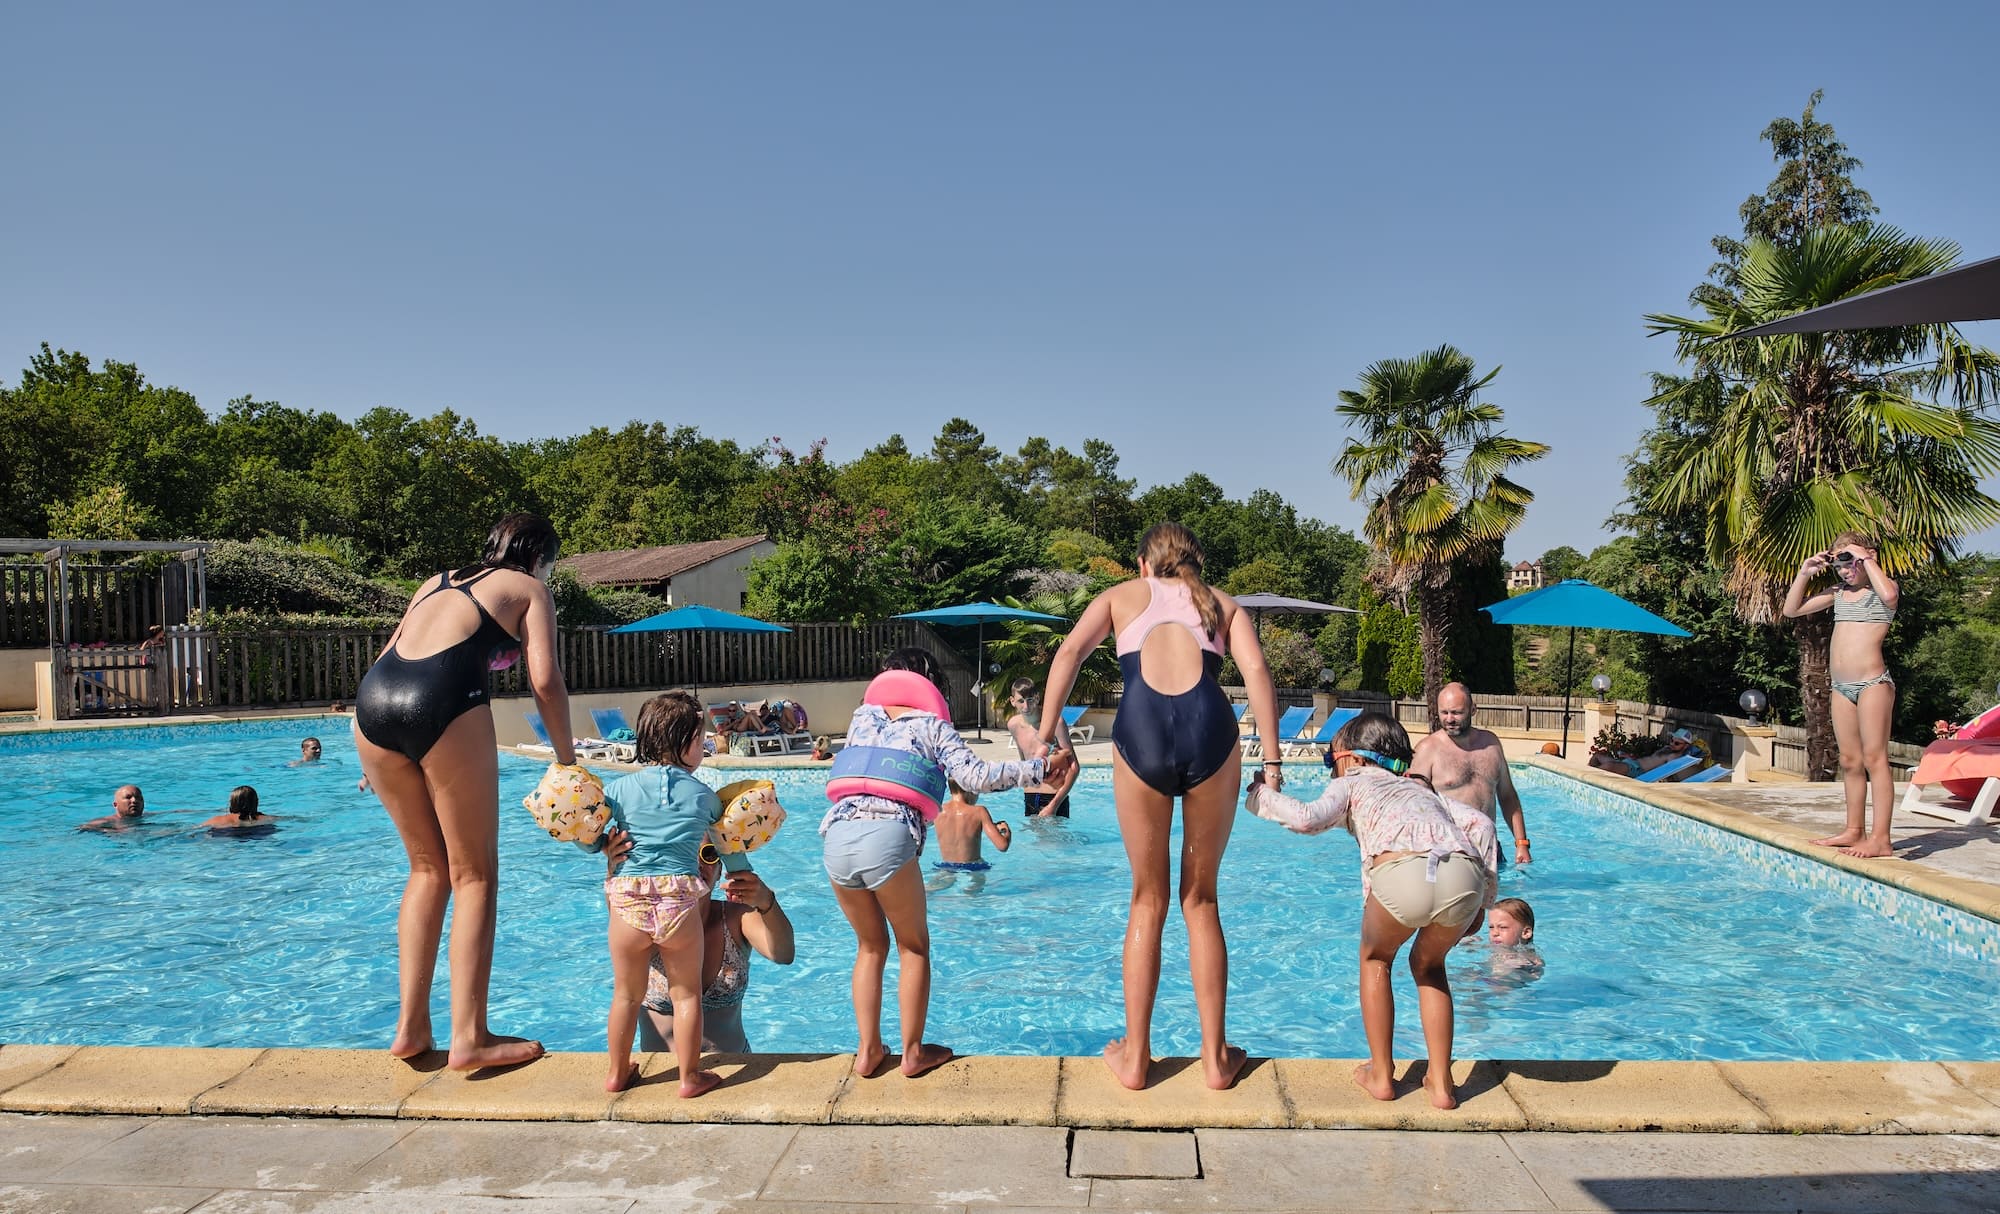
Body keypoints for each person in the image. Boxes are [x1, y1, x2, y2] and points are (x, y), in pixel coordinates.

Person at [1037, 521, 1281, 1091]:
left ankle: (1136, 1057)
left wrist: (1046, 737)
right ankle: (1215, 1059)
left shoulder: (1120, 596)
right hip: (1211, 734)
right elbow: (1257, 672)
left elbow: (1069, 653)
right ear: (1197, 563)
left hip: (1140, 733)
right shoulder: (1224, 604)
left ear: (1143, 564)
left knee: (1148, 899)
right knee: (1202, 899)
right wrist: (1272, 761)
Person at [352, 512, 577, 1072]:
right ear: (539, 558)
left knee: (426, 870)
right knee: (474, 875)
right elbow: (544, 680)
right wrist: (567, 761)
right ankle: (470, 1037)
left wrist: (377, 762)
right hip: (443, 703)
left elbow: (389, 654)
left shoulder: (435, 581)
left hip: (373, 708)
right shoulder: (530, 589)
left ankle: (411, 1028)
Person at [821, 647, 1069, 1079]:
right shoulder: (933, 725)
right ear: (931, 683)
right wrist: (1040, 768)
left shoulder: (862, 717)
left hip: (837, 837)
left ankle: (867, 1050)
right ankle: (912, 1053)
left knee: (870, 947)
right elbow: (975, 777)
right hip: (887, 837)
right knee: (913, 946)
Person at [1244, 712, 1496, 1110]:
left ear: (1354, 758)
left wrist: (1260, 795)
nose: (1331, 769)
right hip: (1463, 875)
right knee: (1430, 966)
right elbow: (1481, 825)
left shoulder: (1352, 782)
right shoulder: (1425, 792)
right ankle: (1441, 1083)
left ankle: (1381, 1074)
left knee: (1376, 958)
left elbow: (1308, 819)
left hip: (1404, 874)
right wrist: (1482, 903)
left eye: (1331, 760)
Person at [595, 691, 726, 1097]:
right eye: (700, 738)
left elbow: (585, 834)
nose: (703, 746)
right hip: (680, 900)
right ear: (685, 742)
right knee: (686, 995)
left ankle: (617, 1073)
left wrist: (602, 847)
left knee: (626, 994)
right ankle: (689, 1077)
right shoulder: (704, 795)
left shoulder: (618, 790)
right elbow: (729, 845)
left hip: (628, 898)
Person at [605, 831, 796, 1055]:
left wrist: (766, 902)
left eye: (709, 854)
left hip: (738, 1065)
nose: (697, 863)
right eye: (684, 852)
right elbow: (618, 895)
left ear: (720, 870)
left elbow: (783, 954)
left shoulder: (736, 918)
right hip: (664, 1070)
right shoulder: (644, 921)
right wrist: (616, 869)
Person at [1784, 532, 1901, 859]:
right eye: (1839, 565)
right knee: (1849, 760)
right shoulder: (1838, 593)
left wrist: (1863, 556)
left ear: (1867, 556)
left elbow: (1890, 594)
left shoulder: (1882, 589)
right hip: (1841, 687)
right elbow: (1792, 610)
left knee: (1875, 759)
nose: (1845, 570)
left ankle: (1881, 839)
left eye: (1850, 562)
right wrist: (1805, 572)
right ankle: (1854, 830)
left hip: (1873, 684)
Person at [1410, 684, 1531, 865]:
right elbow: (1415, 808)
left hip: (1489, 848)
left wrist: (1521, 844)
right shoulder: (1427, 750)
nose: (1449, 719)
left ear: (1473, 709)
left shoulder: (1491, 745)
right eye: (1444, 712)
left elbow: (1508, 797)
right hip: (1451, 853)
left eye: (1456, 713)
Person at [1006, 679, 1078, 817]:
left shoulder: (1055, 723)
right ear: (1012, 701)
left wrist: (1054, 805)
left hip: (1054, 797)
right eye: (1021, 701)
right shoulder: (1013, 725)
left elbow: (1074, 768)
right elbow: (1024, 762)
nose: (1026, 706)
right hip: (1030, 796)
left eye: (1030, 700)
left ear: (1037, 698)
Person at [932, 782, 1011, 872]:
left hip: (947, 866)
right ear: (970, 789)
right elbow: (1002, 846)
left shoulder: (938, 810)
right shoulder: (979, 811)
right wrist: (1006, 830)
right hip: (974, 867)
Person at [1588, 726, 1701, 780]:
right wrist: (1631, 756)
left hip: (1637, 770)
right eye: (1672, 740)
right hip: (1632, 762)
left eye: (1677, 743)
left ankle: (1588, 780)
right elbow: (1649, 759)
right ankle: (1586, 777)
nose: (1672, 743)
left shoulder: (1675, 757)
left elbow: (1672, 773)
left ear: (1686, 746)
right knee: (1597, 757)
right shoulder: (1667, 749)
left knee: (1608, 766)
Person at [201, 785, 275, 832]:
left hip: (226, 833)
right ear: (256, 802)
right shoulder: (270, 819)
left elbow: (197, 828)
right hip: (259, 833)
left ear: (232, 802)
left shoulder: (217, 820)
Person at [78, 784, 145, 831]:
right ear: (115, 805)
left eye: (138, 797)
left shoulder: (148, 816)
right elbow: (81, 828)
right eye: (128, 797)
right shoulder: (104, 822)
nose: (134, 800)